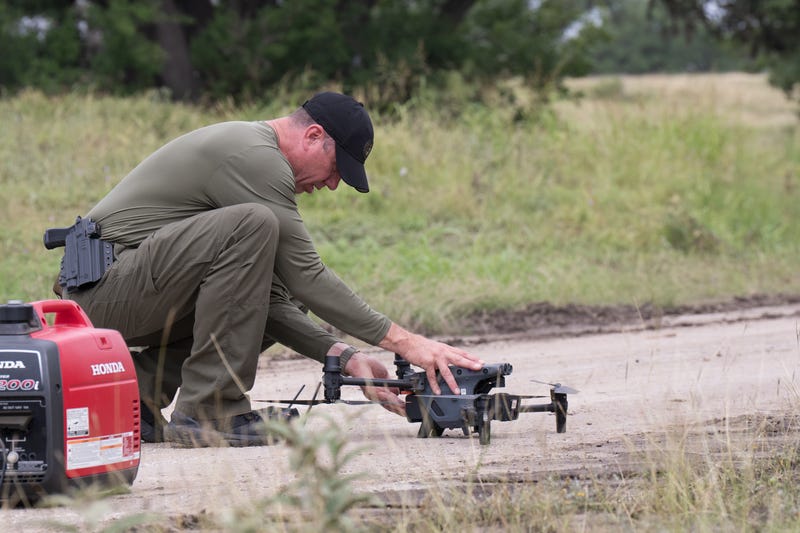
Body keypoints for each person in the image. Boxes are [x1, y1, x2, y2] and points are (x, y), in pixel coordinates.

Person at [63, 91, 484, 447]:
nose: (333, 184)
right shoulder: (255, 156)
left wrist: (344, 356)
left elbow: (269, 300)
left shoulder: (258, 157)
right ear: (313, 135)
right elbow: (309, 276)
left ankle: (137, 399)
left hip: (134, 291)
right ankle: (211, 412)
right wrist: (405, 342)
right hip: (101, 293)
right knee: (256, 228)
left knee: (274, 268)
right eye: (337, 168)